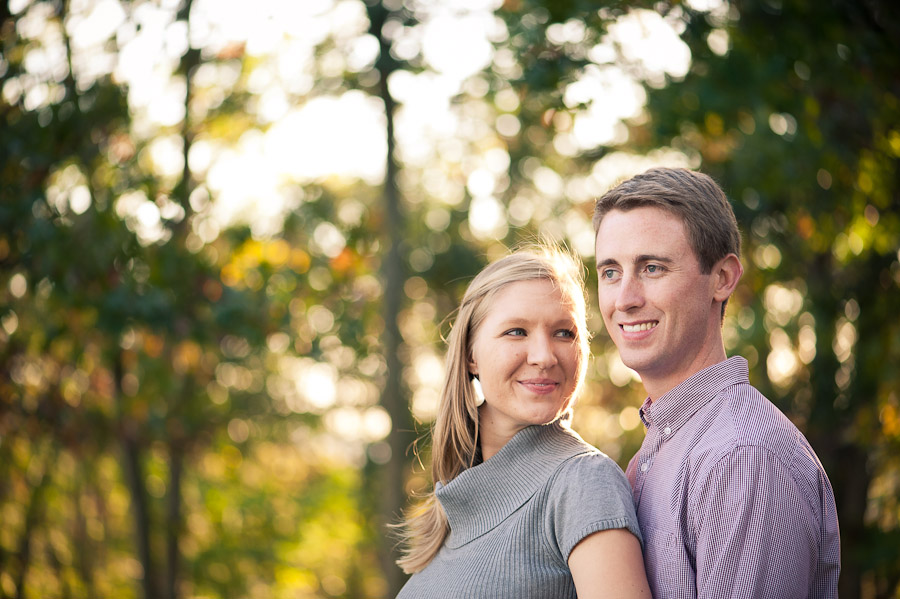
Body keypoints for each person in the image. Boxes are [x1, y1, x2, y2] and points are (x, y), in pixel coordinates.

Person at [592, 167, 841, 599]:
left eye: (652, 267)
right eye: (610, 272)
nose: (625, 299)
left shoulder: (742, 457)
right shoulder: (657, 449)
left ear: (722, 279)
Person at [394, 244, 651, 599]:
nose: (544, 356)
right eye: (516, 331)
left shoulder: (583, 481)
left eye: (565, 333)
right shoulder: (456, 502)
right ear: (471, 354)